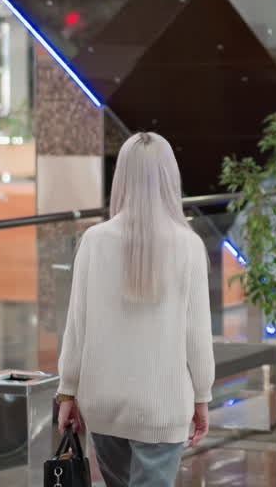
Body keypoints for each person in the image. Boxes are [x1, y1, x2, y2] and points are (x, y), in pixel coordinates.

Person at [56, 132, 215, 487]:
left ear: (122, 177)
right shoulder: (188, 245)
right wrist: (202, 396)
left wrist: (68, 390)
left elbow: (76, 326)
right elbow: (196, 334)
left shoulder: (94, 241)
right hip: (162, 406)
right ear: (169, 178)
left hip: (104, 403)